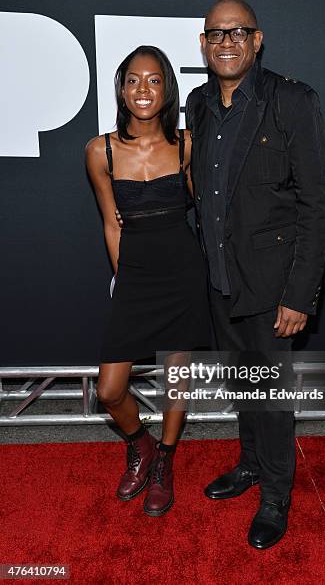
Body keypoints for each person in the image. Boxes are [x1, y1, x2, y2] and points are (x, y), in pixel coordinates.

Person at [185, 0, 325, 549]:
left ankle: (276, 494)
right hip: (221, 279)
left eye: (237, 32)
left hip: (274, 289)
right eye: (215, 34)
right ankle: (249, 465)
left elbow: (318, 205)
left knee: (272, 398)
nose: (225, 42)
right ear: (204, 43)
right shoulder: (199, 104)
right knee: (244, 385)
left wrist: (299, 295)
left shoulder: (292, 101)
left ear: (257, 40)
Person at [85, 46, 210, 517]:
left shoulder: (187, 144)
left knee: (177, 379)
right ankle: (141, 446)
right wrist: (126, 279)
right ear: (121, 88)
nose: (143, 89)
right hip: (136, 275)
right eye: (133, 80)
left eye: (154, 80)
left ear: (167, 89)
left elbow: (205, 209)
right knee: (110, 391)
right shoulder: (101, 151)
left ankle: (166, 460)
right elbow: (111, 223)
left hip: (183, 273)